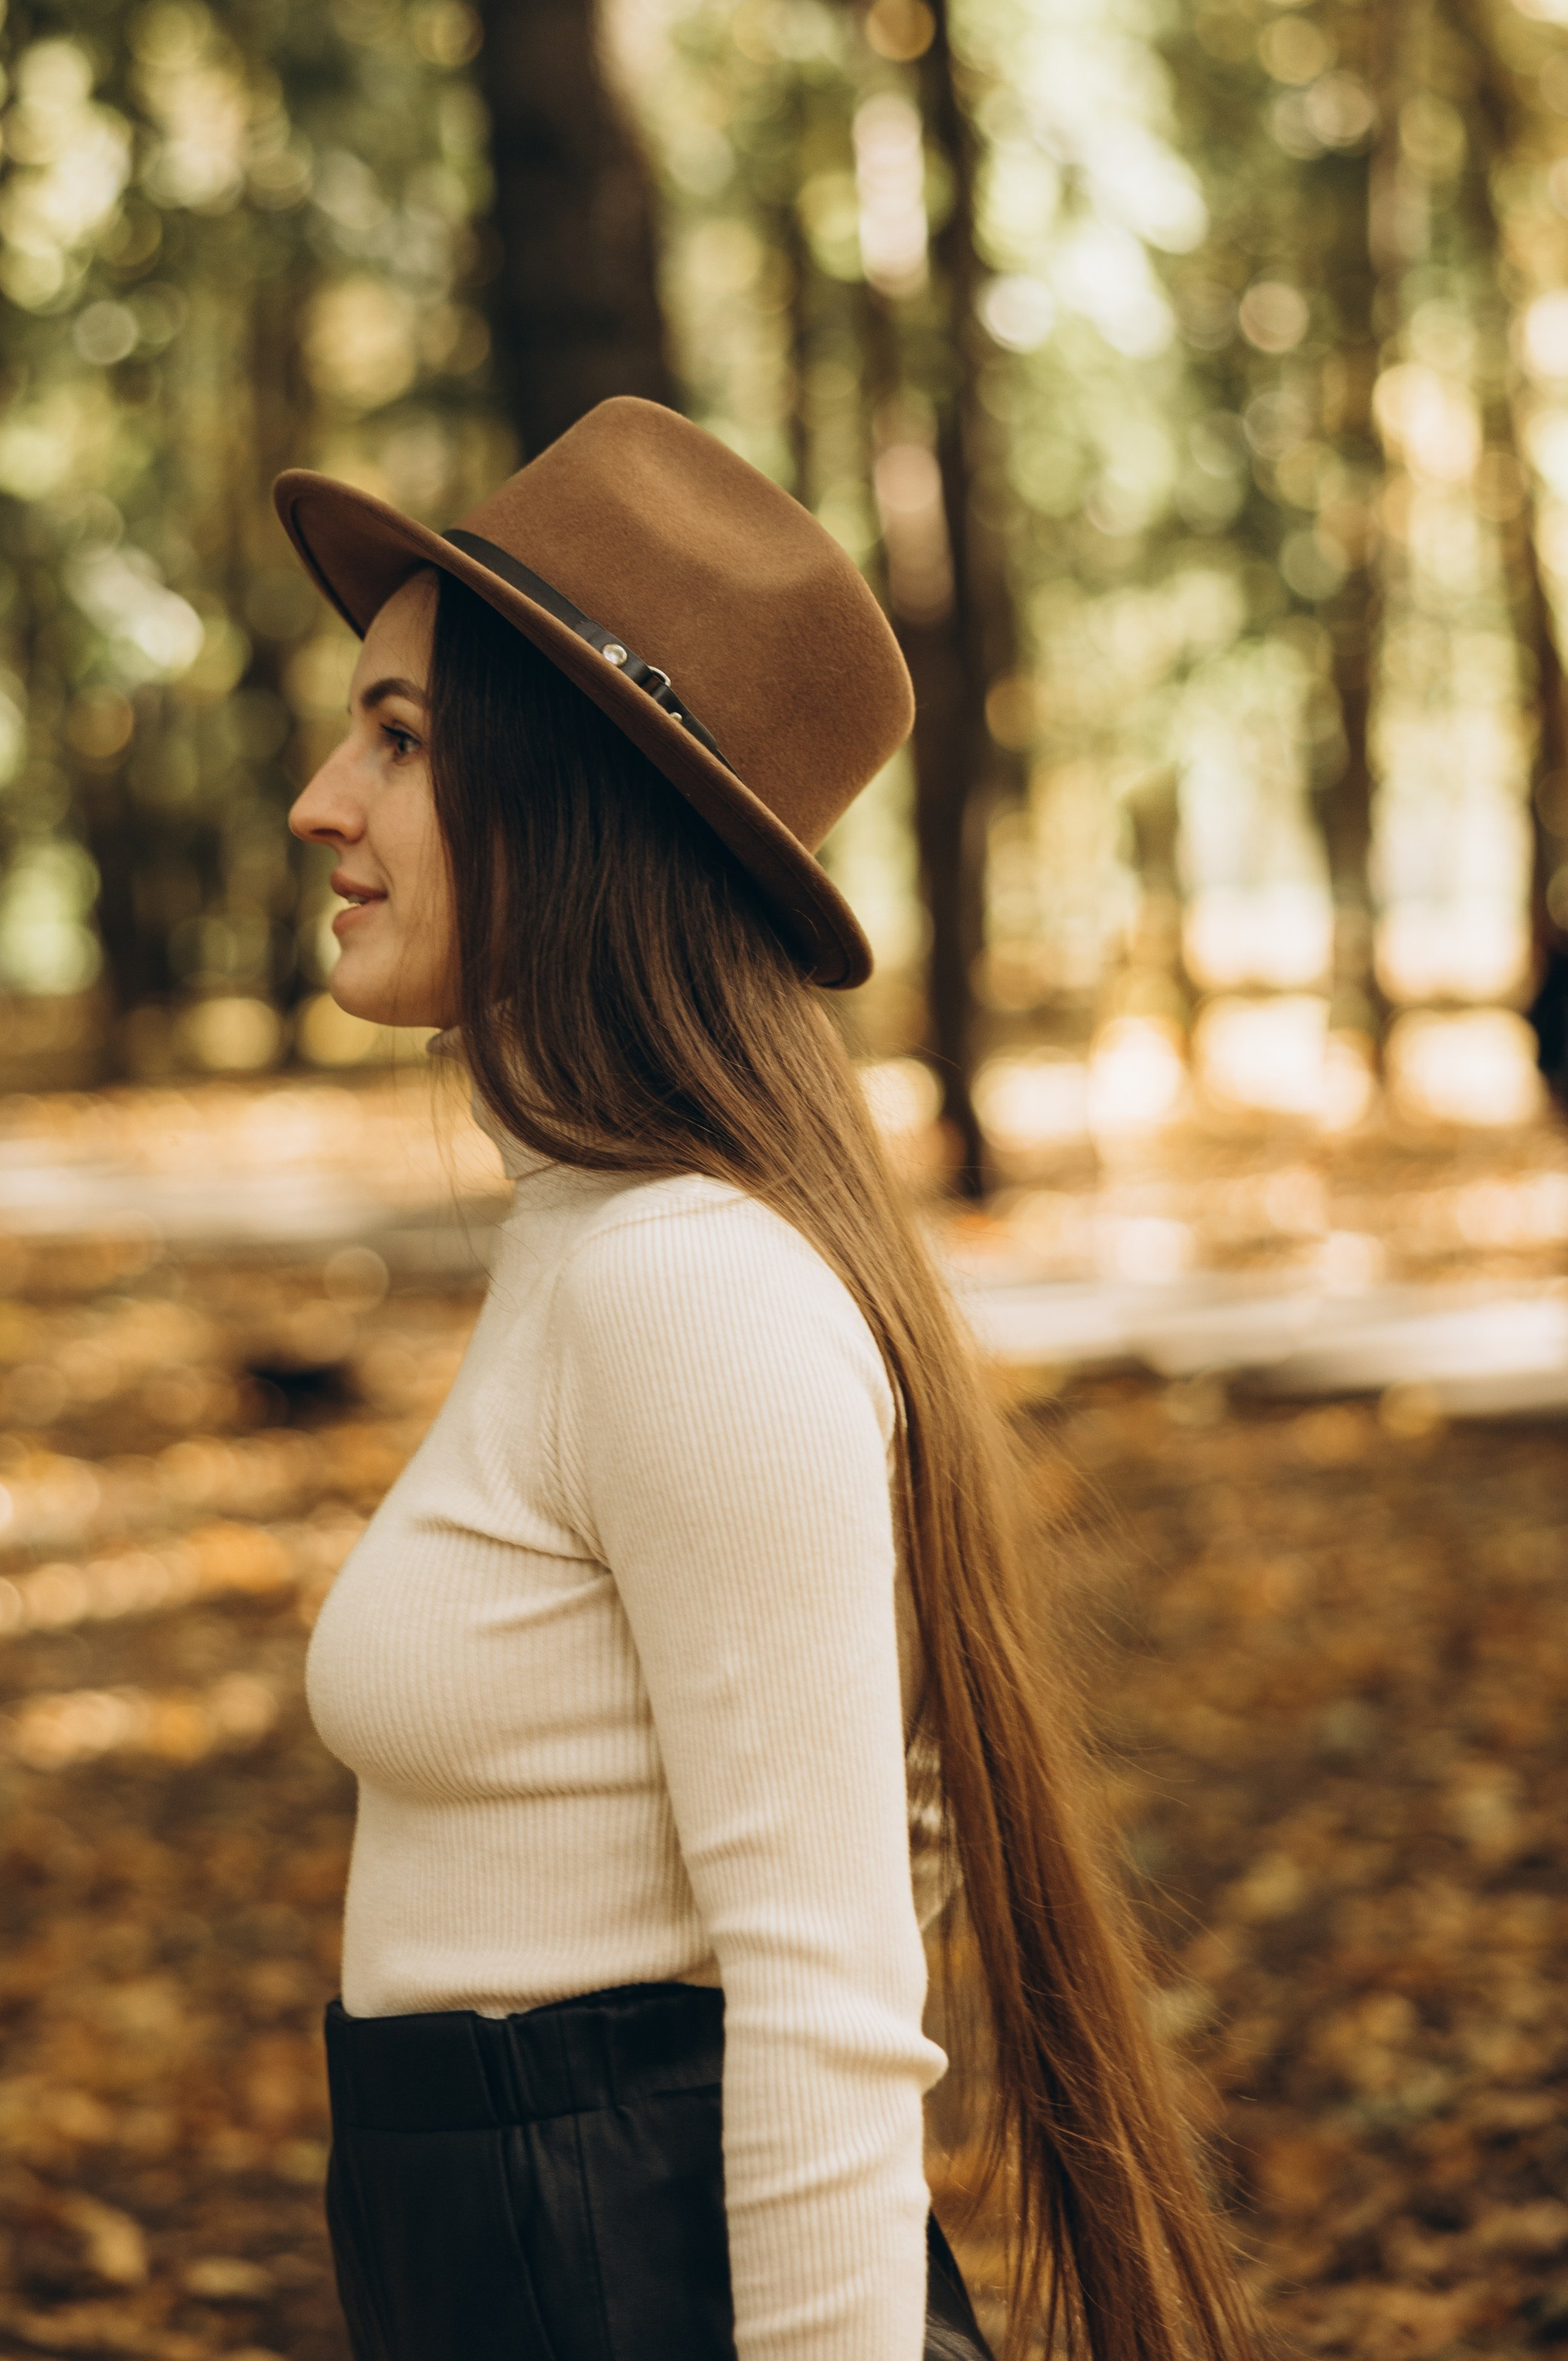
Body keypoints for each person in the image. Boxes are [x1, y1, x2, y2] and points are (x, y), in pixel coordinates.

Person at [277, 399, 1255, 2361]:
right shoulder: (594, 1244)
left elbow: (820, 2003)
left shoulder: (687, 1289)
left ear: (570, 800)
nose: (319, 800)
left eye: (397, 739)